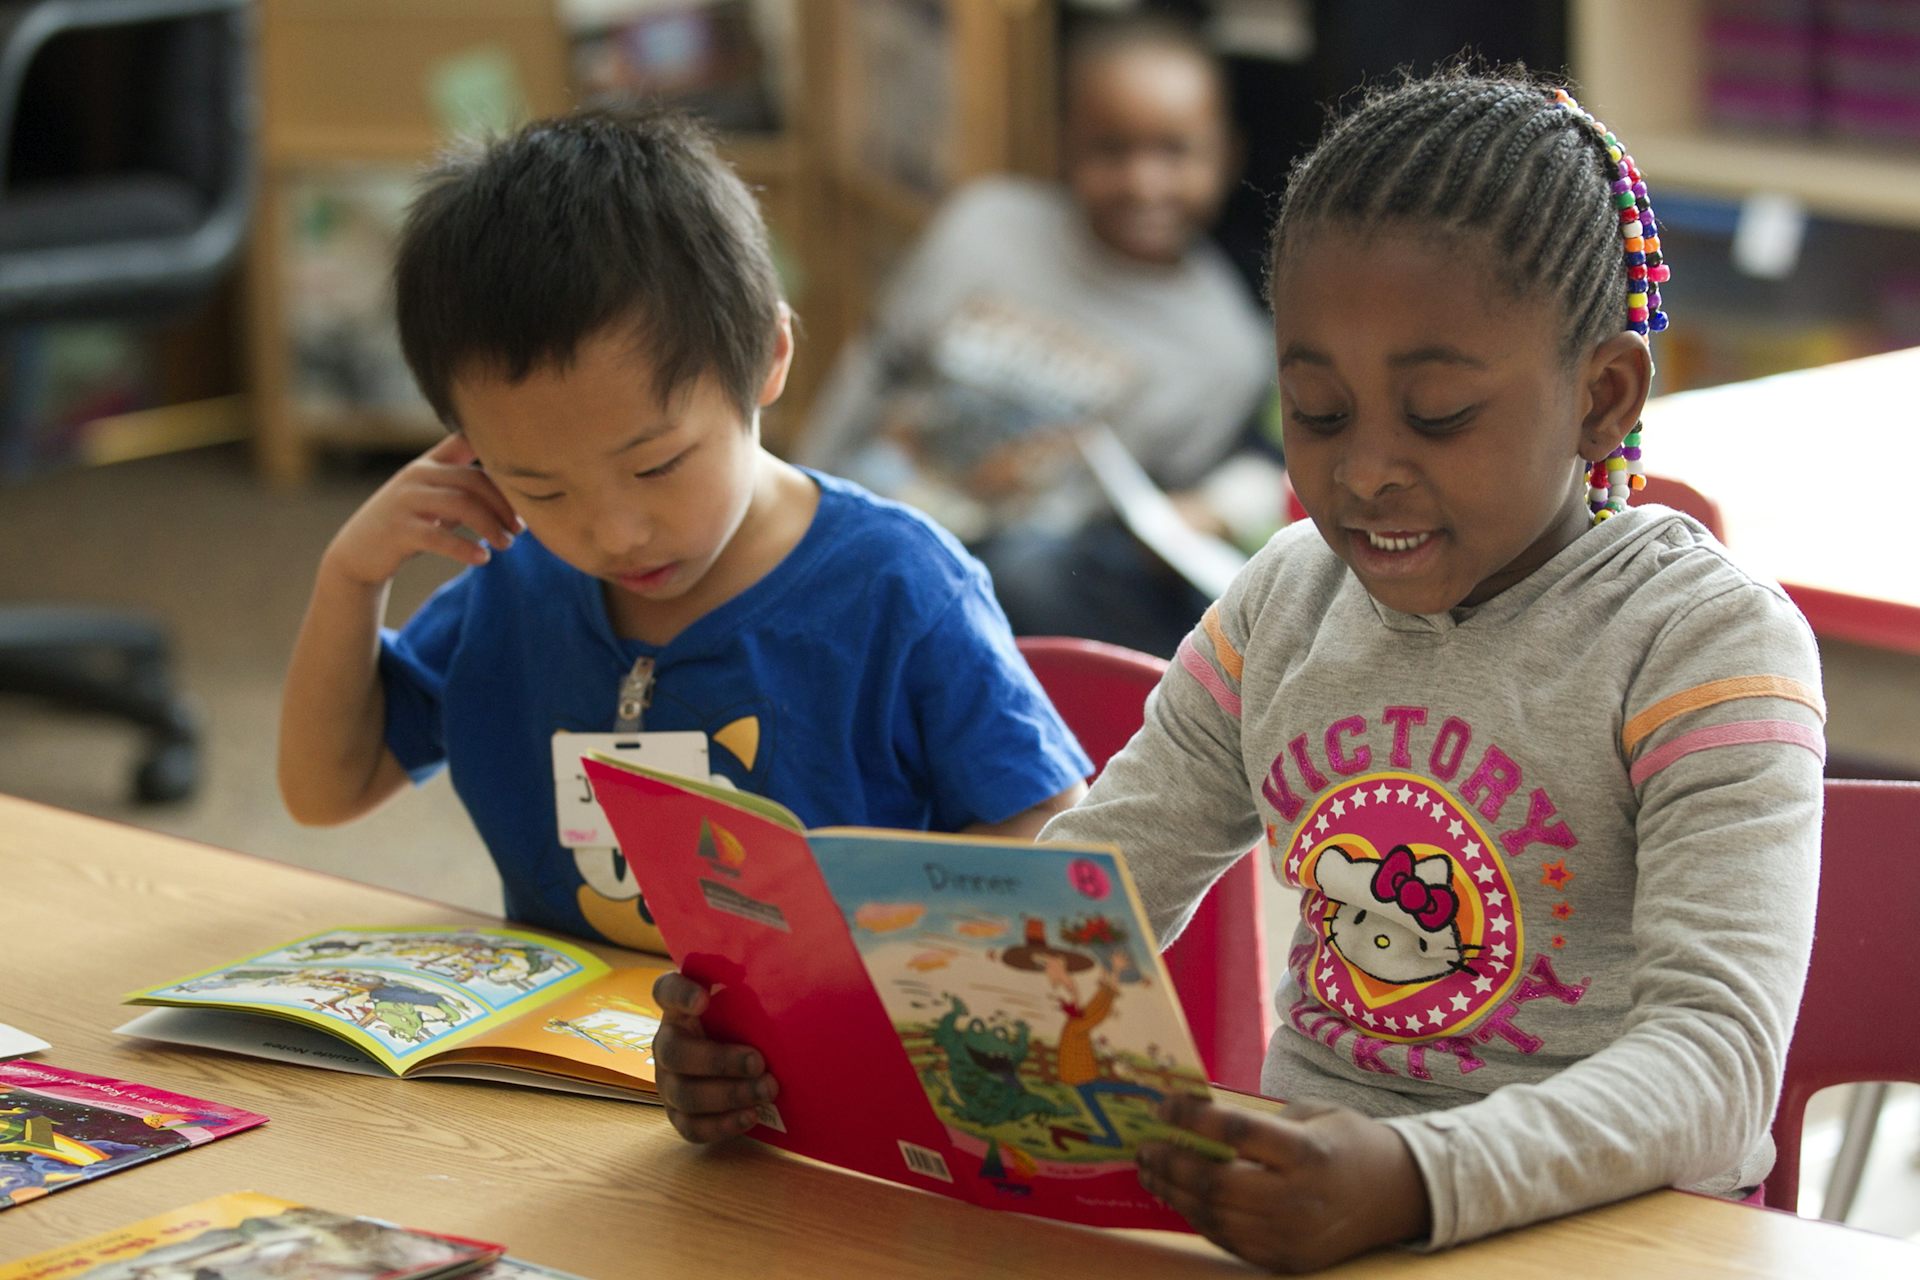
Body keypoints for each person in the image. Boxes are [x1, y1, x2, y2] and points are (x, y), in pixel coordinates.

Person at [645, 70, 1829, 1270]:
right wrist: (792, 1052)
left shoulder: (1703, 645)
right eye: (1317, 410)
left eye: (1436, 415)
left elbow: (1715, 1069)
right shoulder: (1287, 598)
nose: (1366, 471)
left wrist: (1415, 1178)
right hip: (1321, 1220)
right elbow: (1081, 906)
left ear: (1601, 395)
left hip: (1618, 1243)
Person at [277, 107, 1090, 954]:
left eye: (658, 465)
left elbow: (1046, 826)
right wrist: (351, 577)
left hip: (814, 1056)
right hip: (576, 1055)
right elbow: (326, 790)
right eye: (539, 486)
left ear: (769, 355)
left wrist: (869, 948)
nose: (615, 533)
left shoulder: (899, 585)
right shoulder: (514, 582)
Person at [798, 14, 1276, 658]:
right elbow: (873, 368)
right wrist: (800, 492)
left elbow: (1144, 540)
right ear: (1065, 144)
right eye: (1112, 150)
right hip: (873, 519)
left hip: (1009, 587)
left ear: (1226, 156)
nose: (1144, 183)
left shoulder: (1226, 348)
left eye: (1174, 151)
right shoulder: (984, 226)